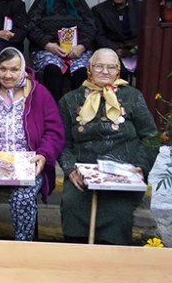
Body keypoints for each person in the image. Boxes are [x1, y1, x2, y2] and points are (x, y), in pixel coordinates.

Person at [58, 48, 158, 245]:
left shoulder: (132, 97)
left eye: (111, 67)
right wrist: (70, 170)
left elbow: (151, 137)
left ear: (118, 70)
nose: (105, 71)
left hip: (123, 172)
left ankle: (112, 263)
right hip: (84, 172)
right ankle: (77, 260)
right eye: (99, 66)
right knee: (72, 204)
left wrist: (140, 167)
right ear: (90, 69)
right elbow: (63, 143)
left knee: (118, 211)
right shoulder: (70, 101)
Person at [0, 47, 65, 241]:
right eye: (3, 69)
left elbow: (54, 131)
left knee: (23, 199)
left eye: (14, 69)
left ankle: (22, 247)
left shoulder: (39, 94)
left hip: (27, 165)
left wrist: (44, 155)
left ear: (23, 69)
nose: (8, 75)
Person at [27, 0, 96, 102]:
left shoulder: (79, 2)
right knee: (52, 70)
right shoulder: (42, 2)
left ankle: (78, 112)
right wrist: (47, 44)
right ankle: (54, 112)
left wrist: (81, 46)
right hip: (48, 49)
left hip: (77, 50)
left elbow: (91, 26)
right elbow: (30, 26)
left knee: (81, 72)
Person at [92, 0, 141, 79]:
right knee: (118, 72)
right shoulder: (99, 10)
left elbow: (146, 33)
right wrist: (115, 50)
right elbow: (99, 36)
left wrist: (135, 49)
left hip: (136, 52)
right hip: (112, 52)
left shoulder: (141, 8)